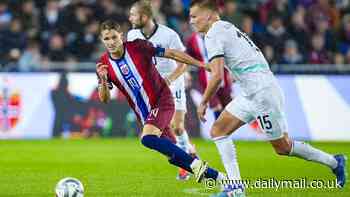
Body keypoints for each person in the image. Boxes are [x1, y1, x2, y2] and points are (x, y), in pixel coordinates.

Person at [189, 0, 347, 196]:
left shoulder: (213, 33)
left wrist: (204, 101)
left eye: (195, 16)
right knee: (218, 130)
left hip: (262, 94)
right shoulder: (227, 27)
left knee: (282, 147)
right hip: (251, 92)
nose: (191, 21)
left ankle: (334, 161)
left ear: (210, 15)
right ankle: (236, 188)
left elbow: (217, 75)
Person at [96, 19, 226, 185]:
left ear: (121, 36)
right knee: (176, 156)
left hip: (162, 100)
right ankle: (221, 179)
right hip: (145, 115)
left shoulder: (138, 47)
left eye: (114, 37)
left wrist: (201, 64)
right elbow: (105, 99)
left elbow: (172, 53)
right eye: (106, 39)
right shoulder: (103, 65)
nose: (111, 42)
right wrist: (103, 78)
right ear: (102, 40)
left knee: (148, 139)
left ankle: (213, 173)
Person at [128, 0, 196, 180]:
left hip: (172, 81)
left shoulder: (169, 34)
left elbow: (183, 61)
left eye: (133, 14)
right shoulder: (132, 34)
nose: (130, 18)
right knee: (161, 132)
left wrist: (171, 79)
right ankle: (187, 156)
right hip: (152, 87)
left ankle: (187, 154)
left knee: (178, 127)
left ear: (145, 16)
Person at [186, 32, 233, 119]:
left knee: (227, 105)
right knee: (215, 105)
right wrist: (187, 72)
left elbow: (229, 53)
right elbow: (188, 57)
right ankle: (219, 130)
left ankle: (227, 129)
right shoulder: (192, 40)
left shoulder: (217, 36)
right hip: (205, 77)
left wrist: (231, 71)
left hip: (222, 73)